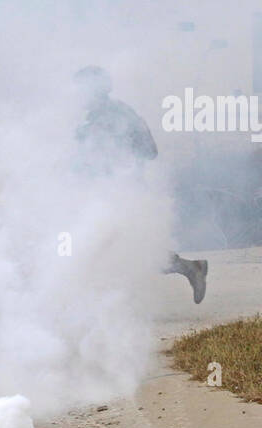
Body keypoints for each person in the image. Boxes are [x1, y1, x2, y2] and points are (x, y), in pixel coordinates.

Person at [73, 66, 208, 303]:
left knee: (125, 252)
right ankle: (189, 268)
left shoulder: (113, 116)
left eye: (81, 89)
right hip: (111, 194)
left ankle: (188, 269)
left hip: (121, 195)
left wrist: (117, 164)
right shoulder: (107, 116)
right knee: (124, 252)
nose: (77, 95)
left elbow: (148, 151)